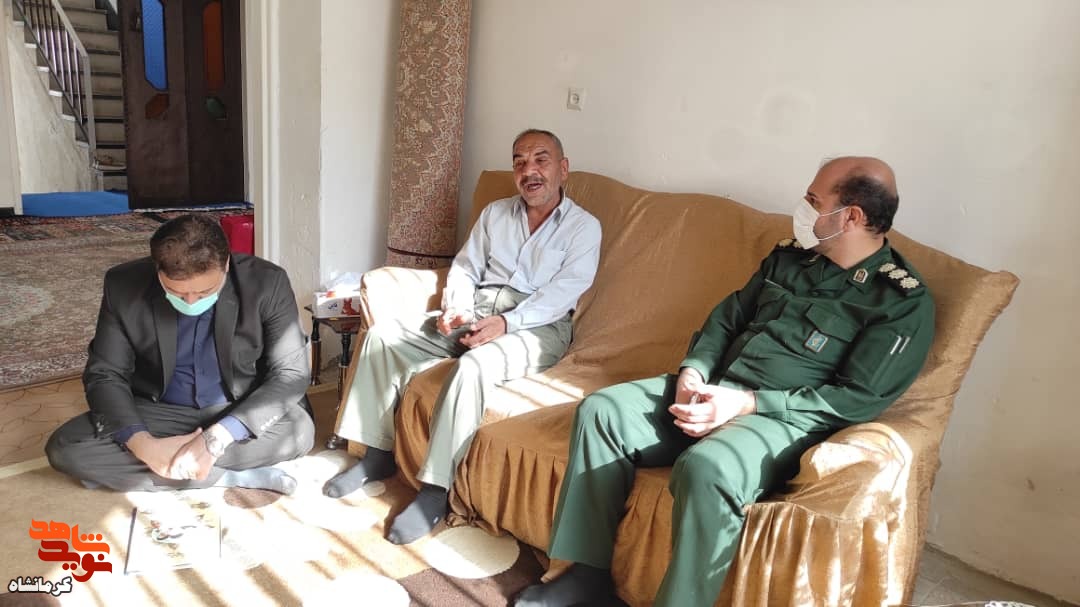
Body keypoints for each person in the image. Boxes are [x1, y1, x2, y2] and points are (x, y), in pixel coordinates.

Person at [514, 156, 936, 606]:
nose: (803, 208)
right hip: (713, 388)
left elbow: (856, 398)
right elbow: (729, 317)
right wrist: (695, 369)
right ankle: (586, 575)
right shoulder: (791, 257)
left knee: (707, 467)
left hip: (780, 422)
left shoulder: (899, 301)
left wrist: (745, 404)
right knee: (603, 413)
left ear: (851, 216)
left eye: (814, 200)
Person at [325, 129, 603, 545]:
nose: (529, 170)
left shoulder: (584, 228)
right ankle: (378, 453)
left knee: (474, 366)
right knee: (382, 337)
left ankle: (435, 491)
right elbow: (467, 267)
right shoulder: (495, 214)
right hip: (480, 307)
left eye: (541, 160)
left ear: (563, 169)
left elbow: (563, 293)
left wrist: (507, 323)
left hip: (538, 325)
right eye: (519, 161)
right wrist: (456, 305)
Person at [46, 214, 314, 494]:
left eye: (205, 291)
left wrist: (216, 439)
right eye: (176, 292)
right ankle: (227, 477)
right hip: (161, 409)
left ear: (226, 265)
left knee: (298, 433)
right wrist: (143, 445)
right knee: (66, 448)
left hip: (236, 405)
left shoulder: (267, 282)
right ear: (157, 270)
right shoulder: (122, 285)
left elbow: (290, 374)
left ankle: (155, 470)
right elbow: (105, 374)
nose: (191, 301)